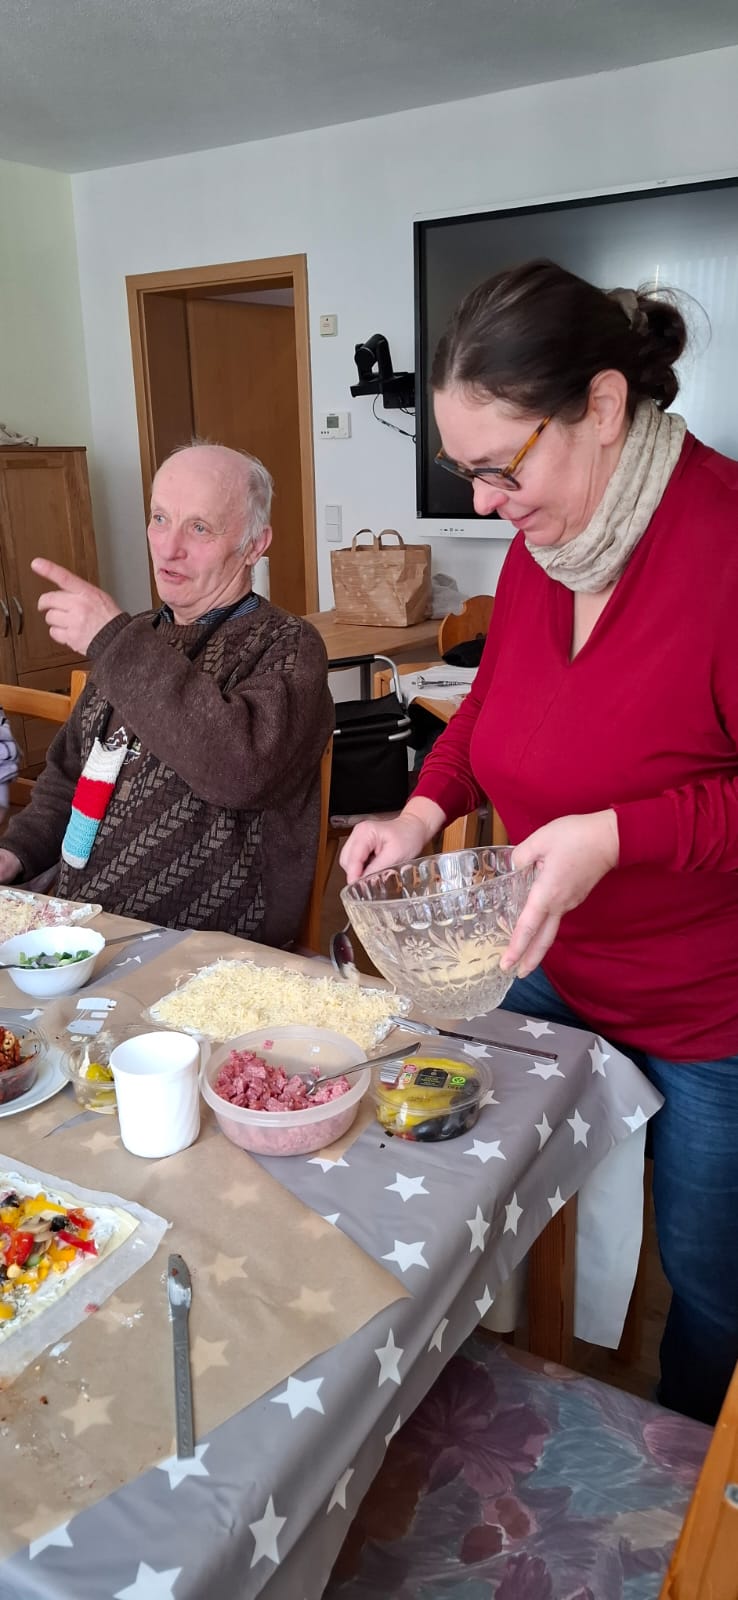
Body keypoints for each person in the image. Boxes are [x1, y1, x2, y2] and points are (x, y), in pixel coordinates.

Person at [341, 260, 738, 1426]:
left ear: (604, 408)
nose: (481, 504)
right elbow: (489, 712)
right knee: (472, 1181)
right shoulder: (546, 548)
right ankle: (490, 1407)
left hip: (713, 1006)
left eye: (499, 467)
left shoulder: (725, 543)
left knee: (712, 1284)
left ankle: (685, 1497)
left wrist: (619, 835)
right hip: (551, 957)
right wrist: (423, 806)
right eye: (466, 473)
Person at [0, 442, 333, 945]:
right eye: (160, 518)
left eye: (199, 527)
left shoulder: (288, 646)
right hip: (80, 921)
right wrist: (16, 851)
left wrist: (113, 643)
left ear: (253, 545)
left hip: (204, 944)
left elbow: (240, 773)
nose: (168, 546)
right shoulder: (137, 636)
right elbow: (68, 775)